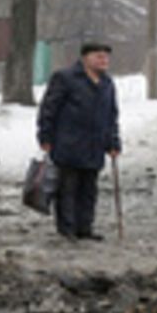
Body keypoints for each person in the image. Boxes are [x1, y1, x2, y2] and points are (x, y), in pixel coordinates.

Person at [36, 41, 121, 241]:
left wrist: (113, 142)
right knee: (67, 188)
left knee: (89, 189)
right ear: (85, 58)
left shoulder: (107, 83)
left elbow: (111, 116)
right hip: (68, 143)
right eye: (98, 56)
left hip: (94, 145)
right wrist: (45, 136)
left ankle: (85, 228)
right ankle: (67, 229)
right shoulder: (65, 78)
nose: (103, 60)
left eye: (106, 57)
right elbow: (49, 108)